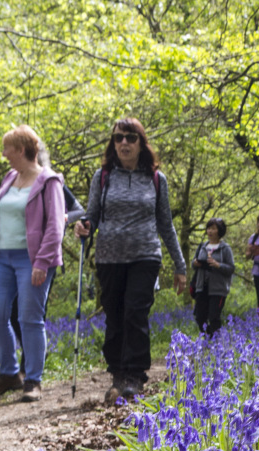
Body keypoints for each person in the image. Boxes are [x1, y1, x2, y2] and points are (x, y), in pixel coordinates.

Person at [75, 118, 187, 403]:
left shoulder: (155, 179)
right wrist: (83, 226)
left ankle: (135, 376)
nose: (123, 143)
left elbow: (166, 224)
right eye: (118, 138)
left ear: (141, 143)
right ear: (113, 144)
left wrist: (180, 265)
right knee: (114, 315)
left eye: (130, 138)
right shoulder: (102, 177)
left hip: (145, 256)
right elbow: (92, 217)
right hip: (109, 258)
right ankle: (118, 373)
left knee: (135, 312)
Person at [0, 125, 64, 403]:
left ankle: (33, 380)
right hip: (1, 257)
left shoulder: (49, 181)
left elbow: (55, 226)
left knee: (29, 318)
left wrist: (42, 261)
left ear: (22, 150)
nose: (4, 154)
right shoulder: (9, 178)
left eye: (7, 149)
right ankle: (9, 374)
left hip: (33, 260)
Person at [10, 145, 84, 377]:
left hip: (44, 257)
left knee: (32, 312)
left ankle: (29, 367)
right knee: (12, 312)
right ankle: (32, 357)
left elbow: (80, 211)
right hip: (16, 255)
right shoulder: (16, 184)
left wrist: (64, 217)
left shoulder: (54, 184)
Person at [191, 217, 234, 336]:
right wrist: (195, 263)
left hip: (218, 289)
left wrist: (217, 265)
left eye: (213, 228)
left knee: (214, 317)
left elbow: (231, 268)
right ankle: (208, 339)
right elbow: (193, 264)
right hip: (201, 287)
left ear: (219, 231)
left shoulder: (225, 248)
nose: (210, 231)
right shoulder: (202, 246)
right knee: (200, 317)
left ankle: (217, 345)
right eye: (208, 228)